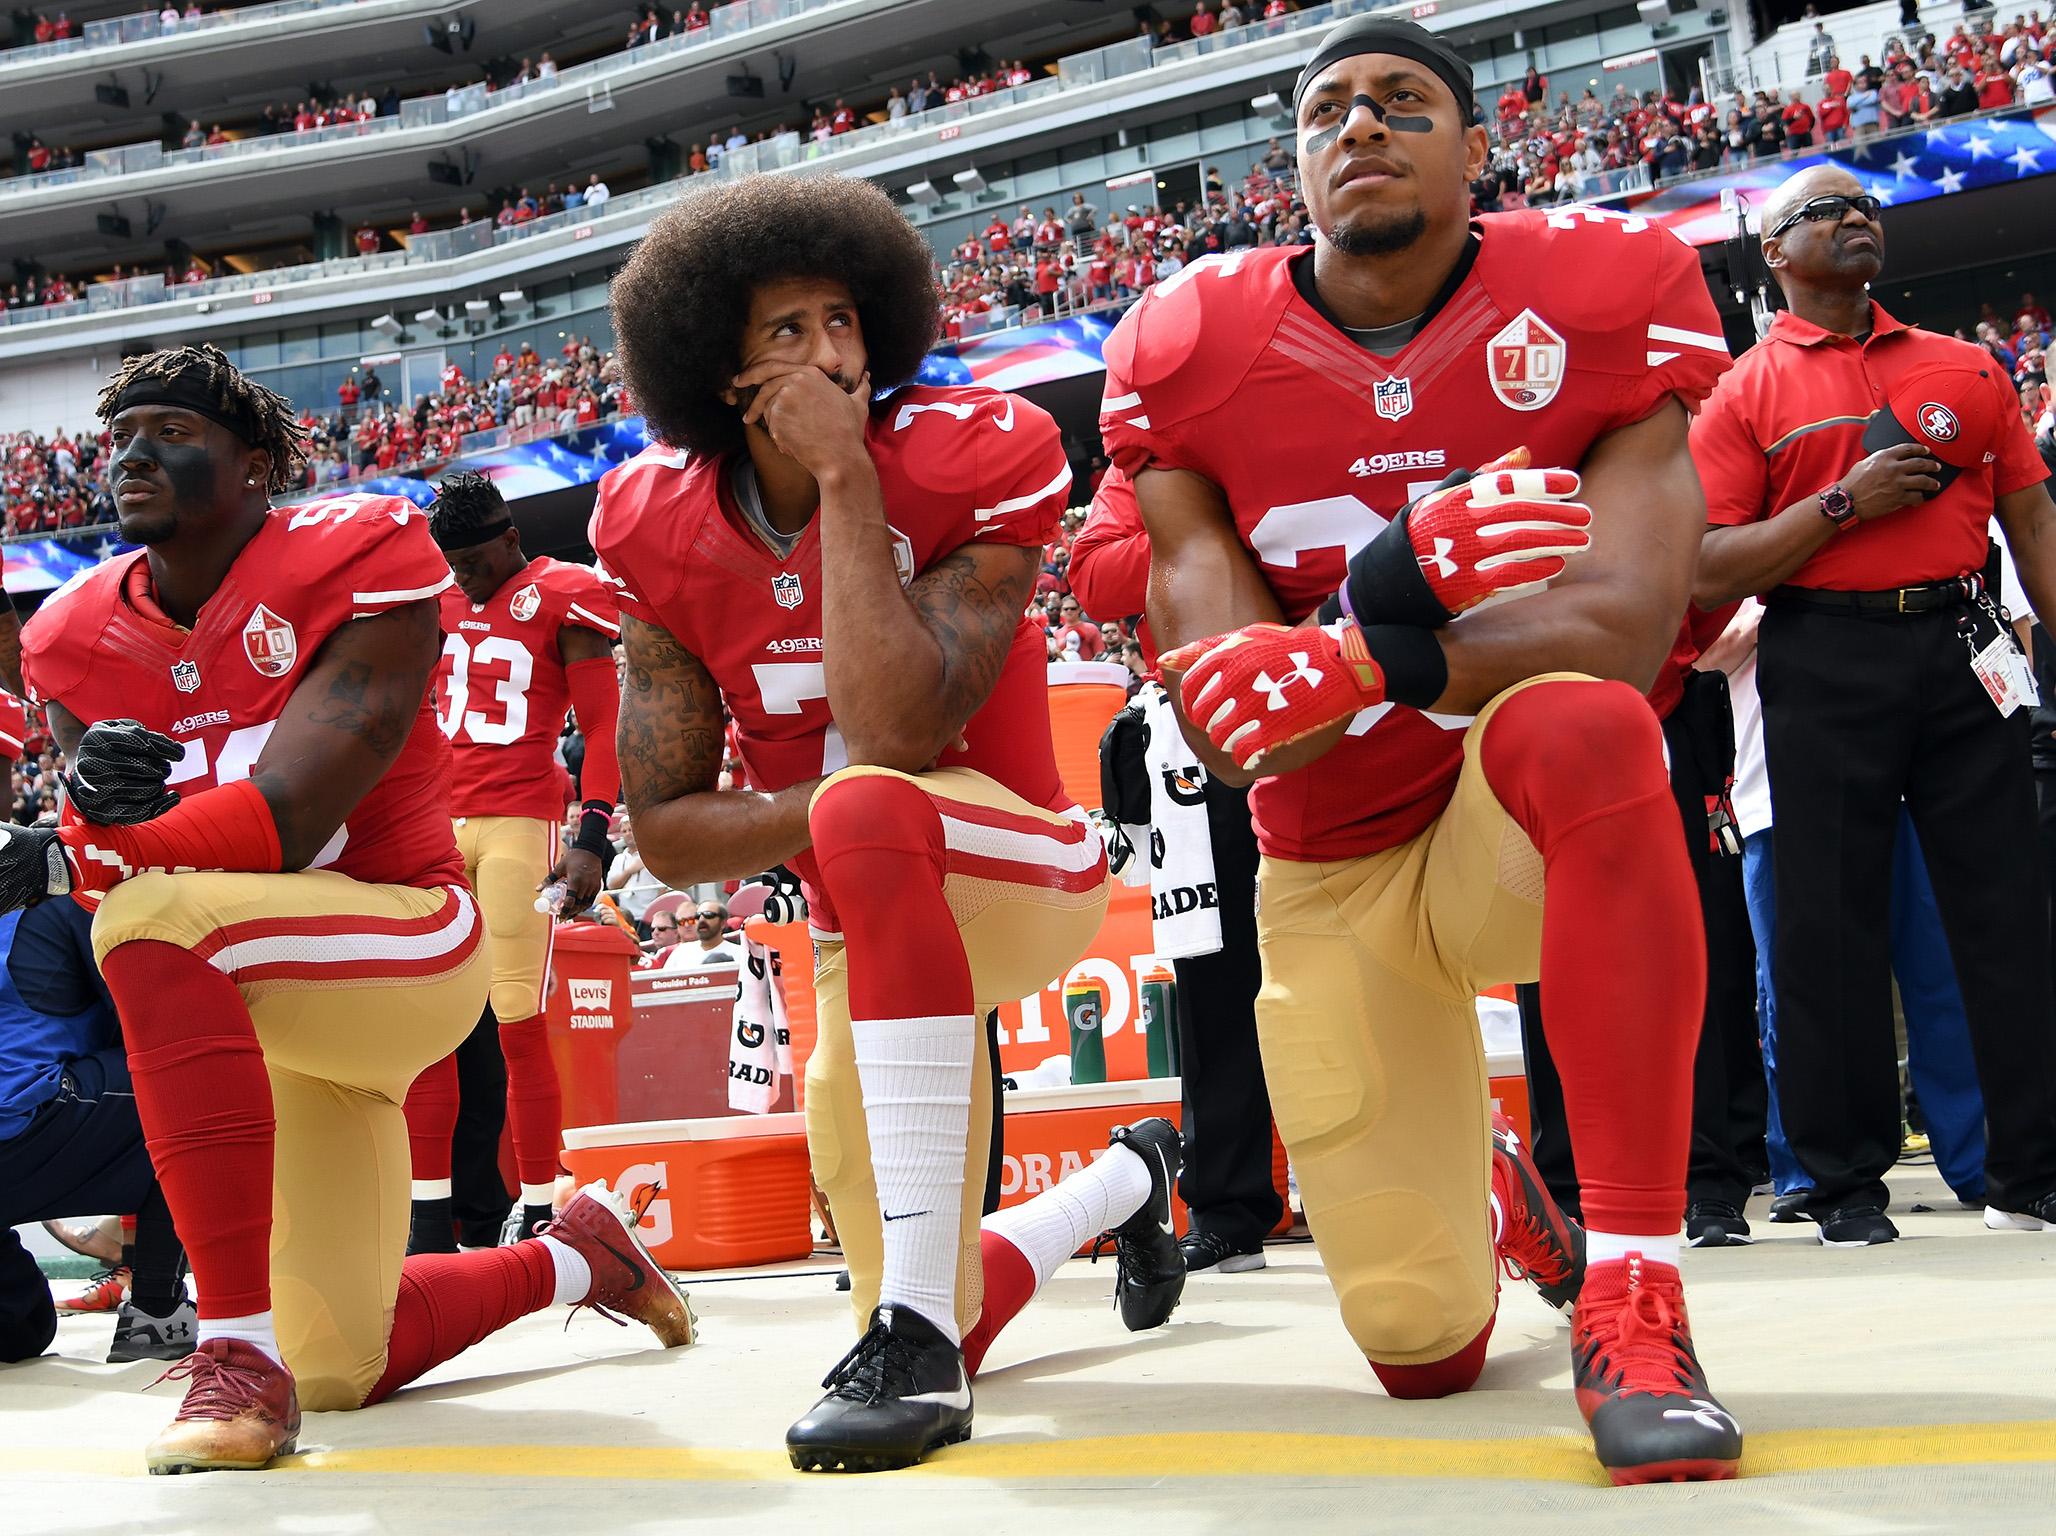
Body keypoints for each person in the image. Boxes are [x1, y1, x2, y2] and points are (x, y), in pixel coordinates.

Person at [1101, 15, 1741, 1484]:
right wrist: (1378, 604)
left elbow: (1630, 631)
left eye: (1403, 100)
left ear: (1476, 145)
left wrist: (1371, 640)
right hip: (1333, 856)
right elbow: (1232, 717)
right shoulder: (1191, 347)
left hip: (1516, 816)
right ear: (1293, 167)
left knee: (1584, 719)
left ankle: (1637, 1292)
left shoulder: (1604, 288)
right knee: (1422, 1353)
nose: (1363, 126)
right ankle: (1495, 1192)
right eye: (1328, 109)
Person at [0, 345, 692, 1474]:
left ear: (258, 466)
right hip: (268, 1008)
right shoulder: (73, 636)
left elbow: (286, 812)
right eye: (120, 432)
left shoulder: (358, 556)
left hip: (401, 937)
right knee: (342, 1361)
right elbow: (113, 846)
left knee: (146, 921)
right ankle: (580, 1258)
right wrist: (84, 828)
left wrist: (76, 857)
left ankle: (232, 1357)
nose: (132, 451)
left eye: (172, 429)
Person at [594, 174, 1183, 1472]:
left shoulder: (971, 450)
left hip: (1020, 863)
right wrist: (824, 819)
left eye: (844, 320)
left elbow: (904, 737)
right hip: (864, 911)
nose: (831, 353)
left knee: (870, 800)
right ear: (716, 369)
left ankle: (915, 1327)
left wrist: (850, 486)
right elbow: (673, 832)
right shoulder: (659, 523)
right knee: (931, 1302)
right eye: (786, 331)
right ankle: (1125, 1188)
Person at [1691, 165, 2056, 1244]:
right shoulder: (1742, 392)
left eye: (1865, 209)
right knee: (1823, 928)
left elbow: (2031, 527)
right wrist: (1843, 504)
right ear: (1775, 254)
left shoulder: (1965, 367)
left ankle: (2030, 1169)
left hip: (1961, 644)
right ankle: (1843, 1182)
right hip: (1819, 654)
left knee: (2003, 914)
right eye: (1824, 211)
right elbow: (1708, 566)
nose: (1855, 220)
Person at [402, 472, 623, 1254]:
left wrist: (592, 838)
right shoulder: (434, 598)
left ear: (510, 539)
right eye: (450, 562)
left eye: (472, 560)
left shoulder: (565, 592)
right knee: (425, 1022)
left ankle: (536, 1204)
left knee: (516, 1016)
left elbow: (602, 726)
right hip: (432, 819)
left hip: (517, 822)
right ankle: (427, 1214)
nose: (461, 575)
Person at [1071, 465, 1281, 1272]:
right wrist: (1203, 518)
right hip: (1206, 729)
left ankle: (1406, 1193)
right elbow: (1093, 576)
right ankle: (1229, 1210)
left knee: (1373, 962)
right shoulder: (1148, 463)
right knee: (1217, 982)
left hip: (1339, 695)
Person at [0, 898, 193, 1366]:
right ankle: (157, 1309)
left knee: (22, 1328)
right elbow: (155, 1027)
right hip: (16, 1127)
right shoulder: (65, 894)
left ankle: (129, 1263)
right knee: (195, 1080)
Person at [658, 900, 741, 969]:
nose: (701, 920)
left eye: (708, 915)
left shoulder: (739, 953)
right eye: (697, 916)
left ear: (723, 923)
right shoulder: (680, 952)